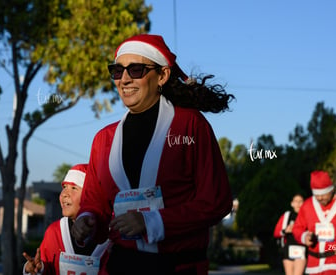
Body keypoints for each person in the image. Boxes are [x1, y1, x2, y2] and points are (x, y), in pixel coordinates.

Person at [71, 33, 235, 275]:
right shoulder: (103, 139)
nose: (124, 79)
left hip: (179, 266)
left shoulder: (190, 126)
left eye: (135, 69)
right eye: (117, 71)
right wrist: (87, 220)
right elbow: (95, 203)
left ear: (162, 75)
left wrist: (152, 222)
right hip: (121, 265)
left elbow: (216, 201)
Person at [22, 164, 110, 275]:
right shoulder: (54, 231)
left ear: (92, 195)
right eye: (64, 187)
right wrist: (36, 269)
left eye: (74, 188)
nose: (64, 194)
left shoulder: (113, 234)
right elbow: (47, 267)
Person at [292, 170, 336, 275]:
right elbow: (297, 228)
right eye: (317, 195)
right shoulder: (307, 206)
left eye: (324, 194)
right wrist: (304, 236)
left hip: (335, 258)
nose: (320, 198)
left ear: (331, 190)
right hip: (313, 261)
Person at [274, 193, 307, 275]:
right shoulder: (286, 216)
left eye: (300, 201)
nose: (298, 204)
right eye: (296, 201)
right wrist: (285, 230)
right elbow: (276, 233)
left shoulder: (306, 216)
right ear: (292, 203)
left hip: (301, 248)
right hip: (288, 249)